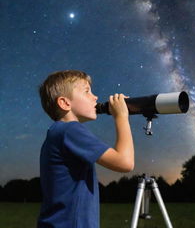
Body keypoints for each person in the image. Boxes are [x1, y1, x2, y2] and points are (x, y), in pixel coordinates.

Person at [37, 70, 134, 228]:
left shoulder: (58, 132)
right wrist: (121, 117)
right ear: (65, 103)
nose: (95, 97)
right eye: (87, 91)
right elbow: (125, 162)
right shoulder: (69, 131)